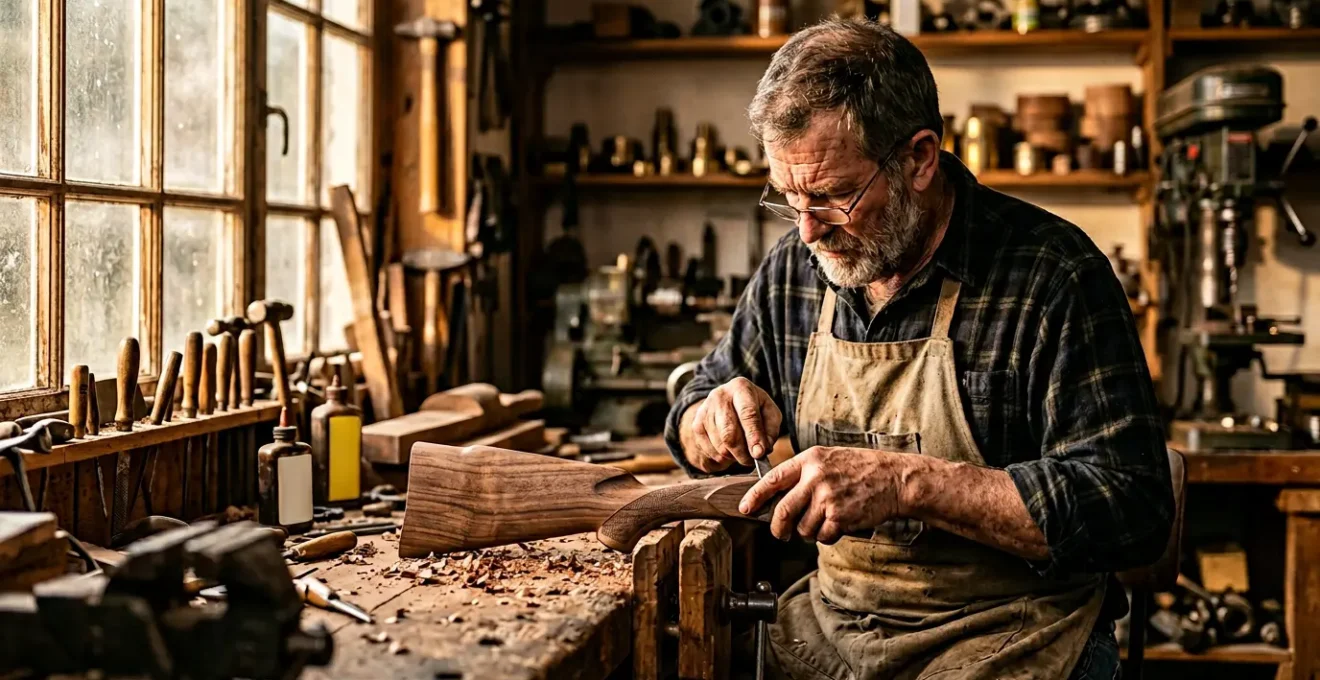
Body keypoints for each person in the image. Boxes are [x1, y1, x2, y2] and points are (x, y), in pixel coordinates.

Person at [664, 18, 1173, 680]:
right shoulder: (795, 270)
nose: (810, 231)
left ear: (920, 157)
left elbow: (1131, 508)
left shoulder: (1052, 273)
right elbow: (690, 408)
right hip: (834, 635)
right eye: (790, 201)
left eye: (834, 196)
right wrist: (709, 419)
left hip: (1012, 642)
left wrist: (909, 482)